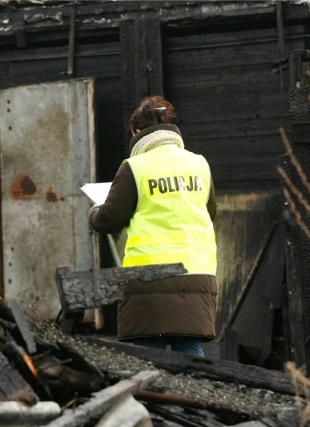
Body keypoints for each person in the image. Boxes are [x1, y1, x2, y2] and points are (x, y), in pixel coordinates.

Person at [88, 95, 217, 357]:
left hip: (148, 279)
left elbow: (108, 221)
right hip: (197, 274)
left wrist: (94, 211)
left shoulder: (135, 168)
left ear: (137, 132)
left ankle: (154, 400)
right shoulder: (199, 164)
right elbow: (210, 211)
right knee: (192, 354)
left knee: (150, 359)